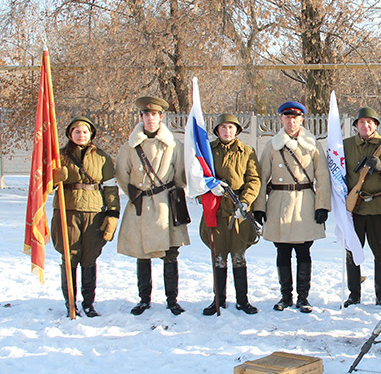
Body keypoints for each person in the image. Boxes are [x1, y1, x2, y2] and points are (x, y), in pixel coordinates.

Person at [254, 101, 331, 313]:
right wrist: (259, 206)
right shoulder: (272, 145)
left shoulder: (313, 145)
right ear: (281, 119)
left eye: (295, 117)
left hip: (305, 200)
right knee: (282, 250)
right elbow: (261, 177)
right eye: (287, 117)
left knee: (304, 251)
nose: (291, 121)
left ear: (302, 120)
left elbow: (323, 177)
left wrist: (322, 205)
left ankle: (303, 298)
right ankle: (285, 296)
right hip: (279, 201)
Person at [116, 96, 191, 316]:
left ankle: (172, 300)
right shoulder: (130, 147)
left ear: (160, 117)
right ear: (141, 118)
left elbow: (179, 175)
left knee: (170, 254)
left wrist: (171, 196)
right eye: (146, 115)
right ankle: (144, 299)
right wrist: (137, 195)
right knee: (143, 253)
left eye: (154, 115)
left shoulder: (173, 145)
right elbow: (122, 175)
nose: (150, 119)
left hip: (166, 205)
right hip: (141, 206)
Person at [51, 116, 119, 317]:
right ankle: (70, 303)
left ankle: (89, 303)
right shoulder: (59, 156)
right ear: (70, 134)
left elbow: (110, 187)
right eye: (77, 131)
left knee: (89, 257)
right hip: (67, 211)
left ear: (91, 134)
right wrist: (54, 179)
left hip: (94, 212)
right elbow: (45, 186)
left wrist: (112, 213)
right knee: (69, 256)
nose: (81, 135)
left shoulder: (102, 157)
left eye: (85, 132)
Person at [199, 114, 262, 315]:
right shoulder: (208, 150)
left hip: (239, 212)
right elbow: (197, 174)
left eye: (231, 127)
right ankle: (218, 299)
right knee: (218, 256)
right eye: (223, 127)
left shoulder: (247, 152)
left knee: (238, 255)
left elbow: (254, 179)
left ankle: (242, 300)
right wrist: (210, 186)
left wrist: (245, 202)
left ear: (237, 131)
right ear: (217, 130)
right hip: (216, 209)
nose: (227, 131)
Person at [342, 107, 381, 309]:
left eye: (370, 122)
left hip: (379, 208)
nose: (365, 126)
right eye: (361, 122)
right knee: (352, 251)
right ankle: (354, 295)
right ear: (356, 126)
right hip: (355, 208)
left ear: (376, 125)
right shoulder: (346, 146)